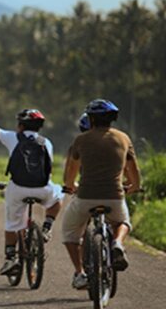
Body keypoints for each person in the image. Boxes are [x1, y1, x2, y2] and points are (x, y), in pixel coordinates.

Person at [0, 109, 63, 275]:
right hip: (43, 188)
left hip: (18, 188)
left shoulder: (13, 137)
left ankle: (10, 259)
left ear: (20, 125)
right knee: (58, 196)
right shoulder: (46, 142)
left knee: (12, 223)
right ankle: (47, 228)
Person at [61, 99, 141, 290]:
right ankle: (118, 244)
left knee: (69, 233)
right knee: (123, 222)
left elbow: (70, 174)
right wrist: (134, 186)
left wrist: (71, 186)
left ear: (91, 119)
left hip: (85, 197)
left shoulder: (80, 140)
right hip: (114, 196)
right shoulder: (124, 138)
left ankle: (80, 274)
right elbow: (133, 170)